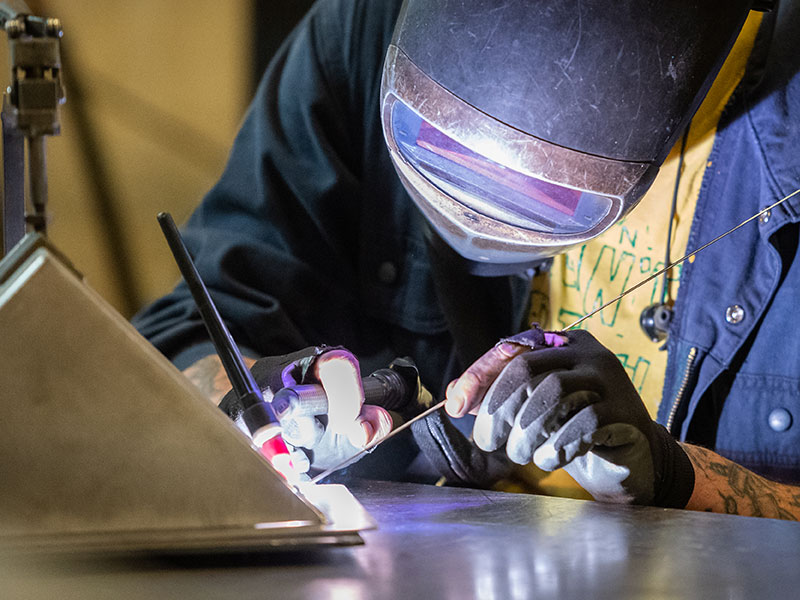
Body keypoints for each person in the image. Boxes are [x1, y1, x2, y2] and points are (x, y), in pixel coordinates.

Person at [133, 0, 800, 518]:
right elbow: (181, 338)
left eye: (550, 189)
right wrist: (264, 403)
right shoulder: (367, 31)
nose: (481, 217)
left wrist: (680, 475)